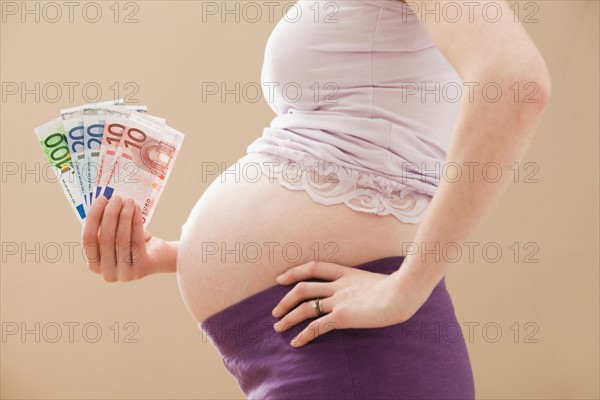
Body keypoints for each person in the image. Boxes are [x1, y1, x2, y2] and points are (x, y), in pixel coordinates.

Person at [81, 0, 551, 398]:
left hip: (363, 355)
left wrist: (405, 289)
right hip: (308, 348)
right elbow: (357, 153)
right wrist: (177, 257)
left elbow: (515, 81)